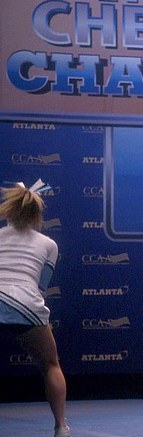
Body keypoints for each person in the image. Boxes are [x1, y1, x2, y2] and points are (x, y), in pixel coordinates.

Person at [0, 180, 70, 437]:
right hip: (27, 304)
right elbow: (41, 287)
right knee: (51, 364)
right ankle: (61, 427)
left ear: (8, 211)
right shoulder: (49, 245)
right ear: (36, 215)